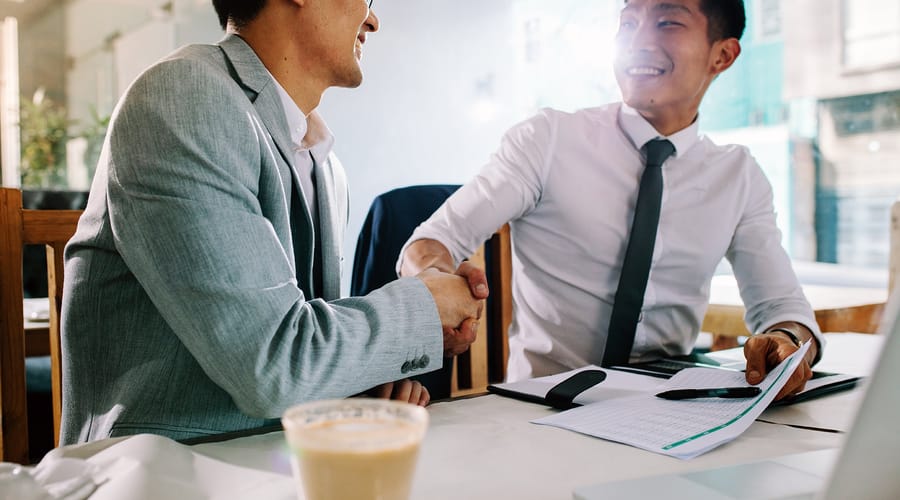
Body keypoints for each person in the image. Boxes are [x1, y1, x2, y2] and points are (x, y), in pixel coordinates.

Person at [59, 0, 482, 444]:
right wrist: (424, 305)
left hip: (281, 459)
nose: (373, 20)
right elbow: (272, 367)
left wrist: (363, 380)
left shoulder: (325, 163)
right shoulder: (181, 97)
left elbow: (298, 351)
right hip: (164, 464)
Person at [399, 0, 822, 400]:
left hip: (671, 410)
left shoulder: (739, 175)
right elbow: (430, 243)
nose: (639, 40)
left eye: (667, 22)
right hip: (541, 407)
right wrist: (435, 285)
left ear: (723, 55)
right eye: (628, 23)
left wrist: (786, 342)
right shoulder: (548, 140)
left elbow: (784, 307)